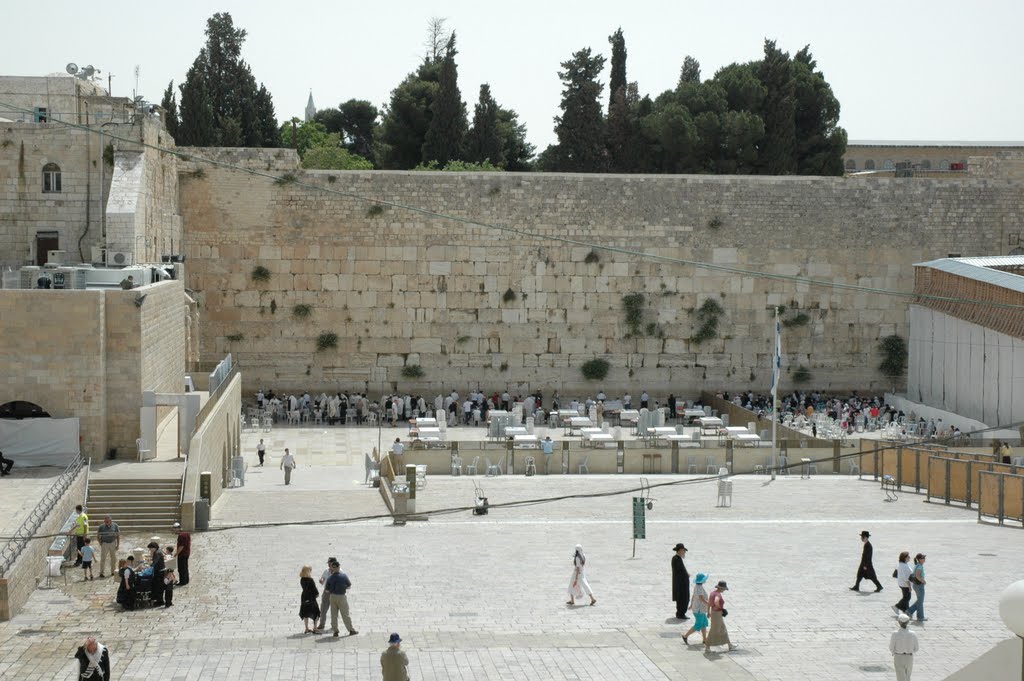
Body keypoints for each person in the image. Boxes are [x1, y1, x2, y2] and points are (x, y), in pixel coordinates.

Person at [324, 560, 358, 636]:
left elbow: (326, 590)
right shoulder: (344, 576)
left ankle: (335, 631)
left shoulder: (330, 578)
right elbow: (349, 586)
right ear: (339, 567)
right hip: (341, 597)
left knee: (334, 615)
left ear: (332, 568)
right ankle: (351, 630)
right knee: (345, 614)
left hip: (332, 597)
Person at [705, 580, 736, 652]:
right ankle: (707, 647)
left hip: (714, 613)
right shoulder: (718, 594)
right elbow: (716, 601)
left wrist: (708, 612)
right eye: (724, 589)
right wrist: (721, 608)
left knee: (723, 629)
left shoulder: (713, 593)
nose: (724, 590)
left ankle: (730, 645)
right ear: (722, 588)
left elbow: (709, 603)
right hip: (717, 614)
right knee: (714, 630)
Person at [682, 573, 710, 645]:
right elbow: (701, 598)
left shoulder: (697, 586)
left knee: (703, 624)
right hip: (699, 610)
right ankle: (685, 636)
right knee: (698, 624)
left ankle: (705, 639)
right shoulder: (699, 588)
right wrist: (709, 603)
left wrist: (691, 605)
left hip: (698, 609)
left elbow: (694, 596)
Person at [890, 613, 919, 680]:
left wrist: (895, 653)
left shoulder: (895, 634)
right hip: (909, 657)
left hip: (898, 657)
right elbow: (916, 648)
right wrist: (910, 651)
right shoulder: (913, 634)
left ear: (899, 622)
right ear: (908, 622)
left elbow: (891, 647)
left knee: (900, 677)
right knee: (908, 677)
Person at [315, 556, 338, 633]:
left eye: (329, 563)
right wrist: (321, 580)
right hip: (326, 592)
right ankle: (322, 624)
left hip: (335, 592)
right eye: (328, 563)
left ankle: (333, 625)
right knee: (323, 608)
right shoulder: (326, 570)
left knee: (334, 610)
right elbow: (323, 579)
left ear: (333, 563)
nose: (328, 564)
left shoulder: (339, 571)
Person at [299, 565, 321, 633]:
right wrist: (317, 594)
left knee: (305, 613)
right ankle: (315, 628)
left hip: (304, 597)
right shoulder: (310, 580)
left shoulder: (302, 579)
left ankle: (306, 628)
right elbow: (314, 589)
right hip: (311, 597)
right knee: (316, 612)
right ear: (308, 571)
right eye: (310, 570)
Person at [905, 554, 927, 621]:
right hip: (919, 585)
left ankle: (911, 612)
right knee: (920, 601)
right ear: (920, 559)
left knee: (919, 601)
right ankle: (919, 617)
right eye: (923, 558)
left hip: (916, 585)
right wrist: (923, 581)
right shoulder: (919, 566)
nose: (924, 559)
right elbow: (917, 576)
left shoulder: (917, 565)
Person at [671, 543, 690, 620]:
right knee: (682, 598)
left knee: (683, 598)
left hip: (681, 583)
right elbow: (680, 571)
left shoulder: (677, 558)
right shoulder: (676, 559)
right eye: (683, 551)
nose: (684, 552)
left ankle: (681, 613)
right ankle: (681, 613)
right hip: (680, 584)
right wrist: (686, 575)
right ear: (680, 550)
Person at [148, 541, 166, 606]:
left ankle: (160, 601)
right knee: (158, 586)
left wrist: (149, 566)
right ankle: (158, 599)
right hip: (160, 571)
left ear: (154, 548)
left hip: (159, 572)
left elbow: (155, 562)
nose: (150, 550)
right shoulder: (158, 552)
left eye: (150, 548)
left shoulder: (157, 553)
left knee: (159, 586)